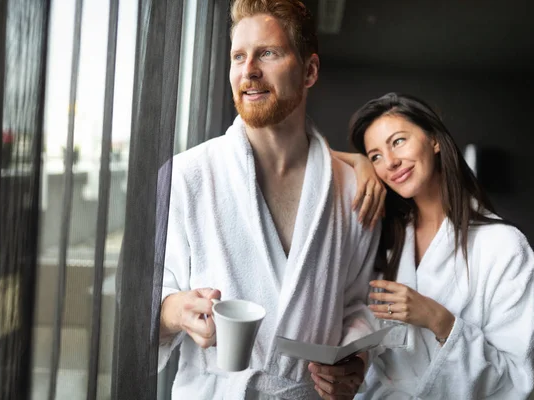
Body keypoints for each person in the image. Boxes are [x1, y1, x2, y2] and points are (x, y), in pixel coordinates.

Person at [157, 1, 386, 399]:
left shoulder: (354, 189)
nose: (249, 71)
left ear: (310, 71)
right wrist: (177, 311)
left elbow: (357, 303)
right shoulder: (187, 175)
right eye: (238, 56)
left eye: (268, 53)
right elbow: (149, 303)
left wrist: (355, 362)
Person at [346, 92, 534, 399]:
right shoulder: (387, 236)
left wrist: (440, 321)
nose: (391, 162)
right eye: (375, 156)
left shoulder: (504, 247)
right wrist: (358, 162)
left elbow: (515, 380)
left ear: (434, 140)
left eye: (398, 141)